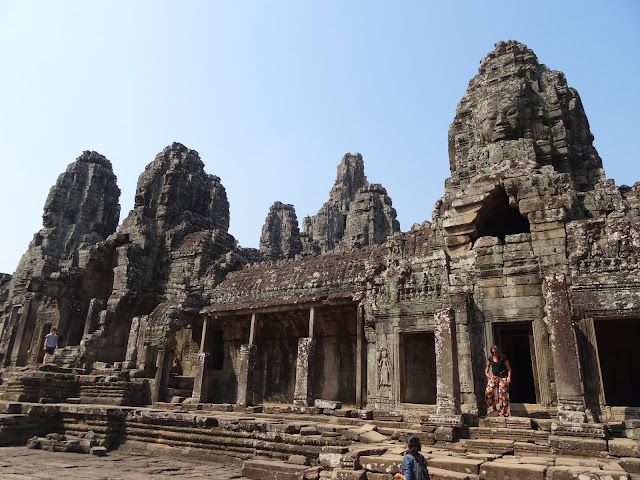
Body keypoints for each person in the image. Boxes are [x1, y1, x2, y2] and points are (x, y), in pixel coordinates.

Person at [485, 344, 512, 417]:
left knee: (502, 393)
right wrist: (487, 373)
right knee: (489, 391)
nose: (494, 354)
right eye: (492, 352)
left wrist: (509, 377)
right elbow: (487, 366)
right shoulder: (490, 358)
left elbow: (509, 369)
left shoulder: (503, 358)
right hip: (494, 376)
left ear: (498, 352)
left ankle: (503, 411)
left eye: (495, 352)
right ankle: (493, 406)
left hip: (503, 377)